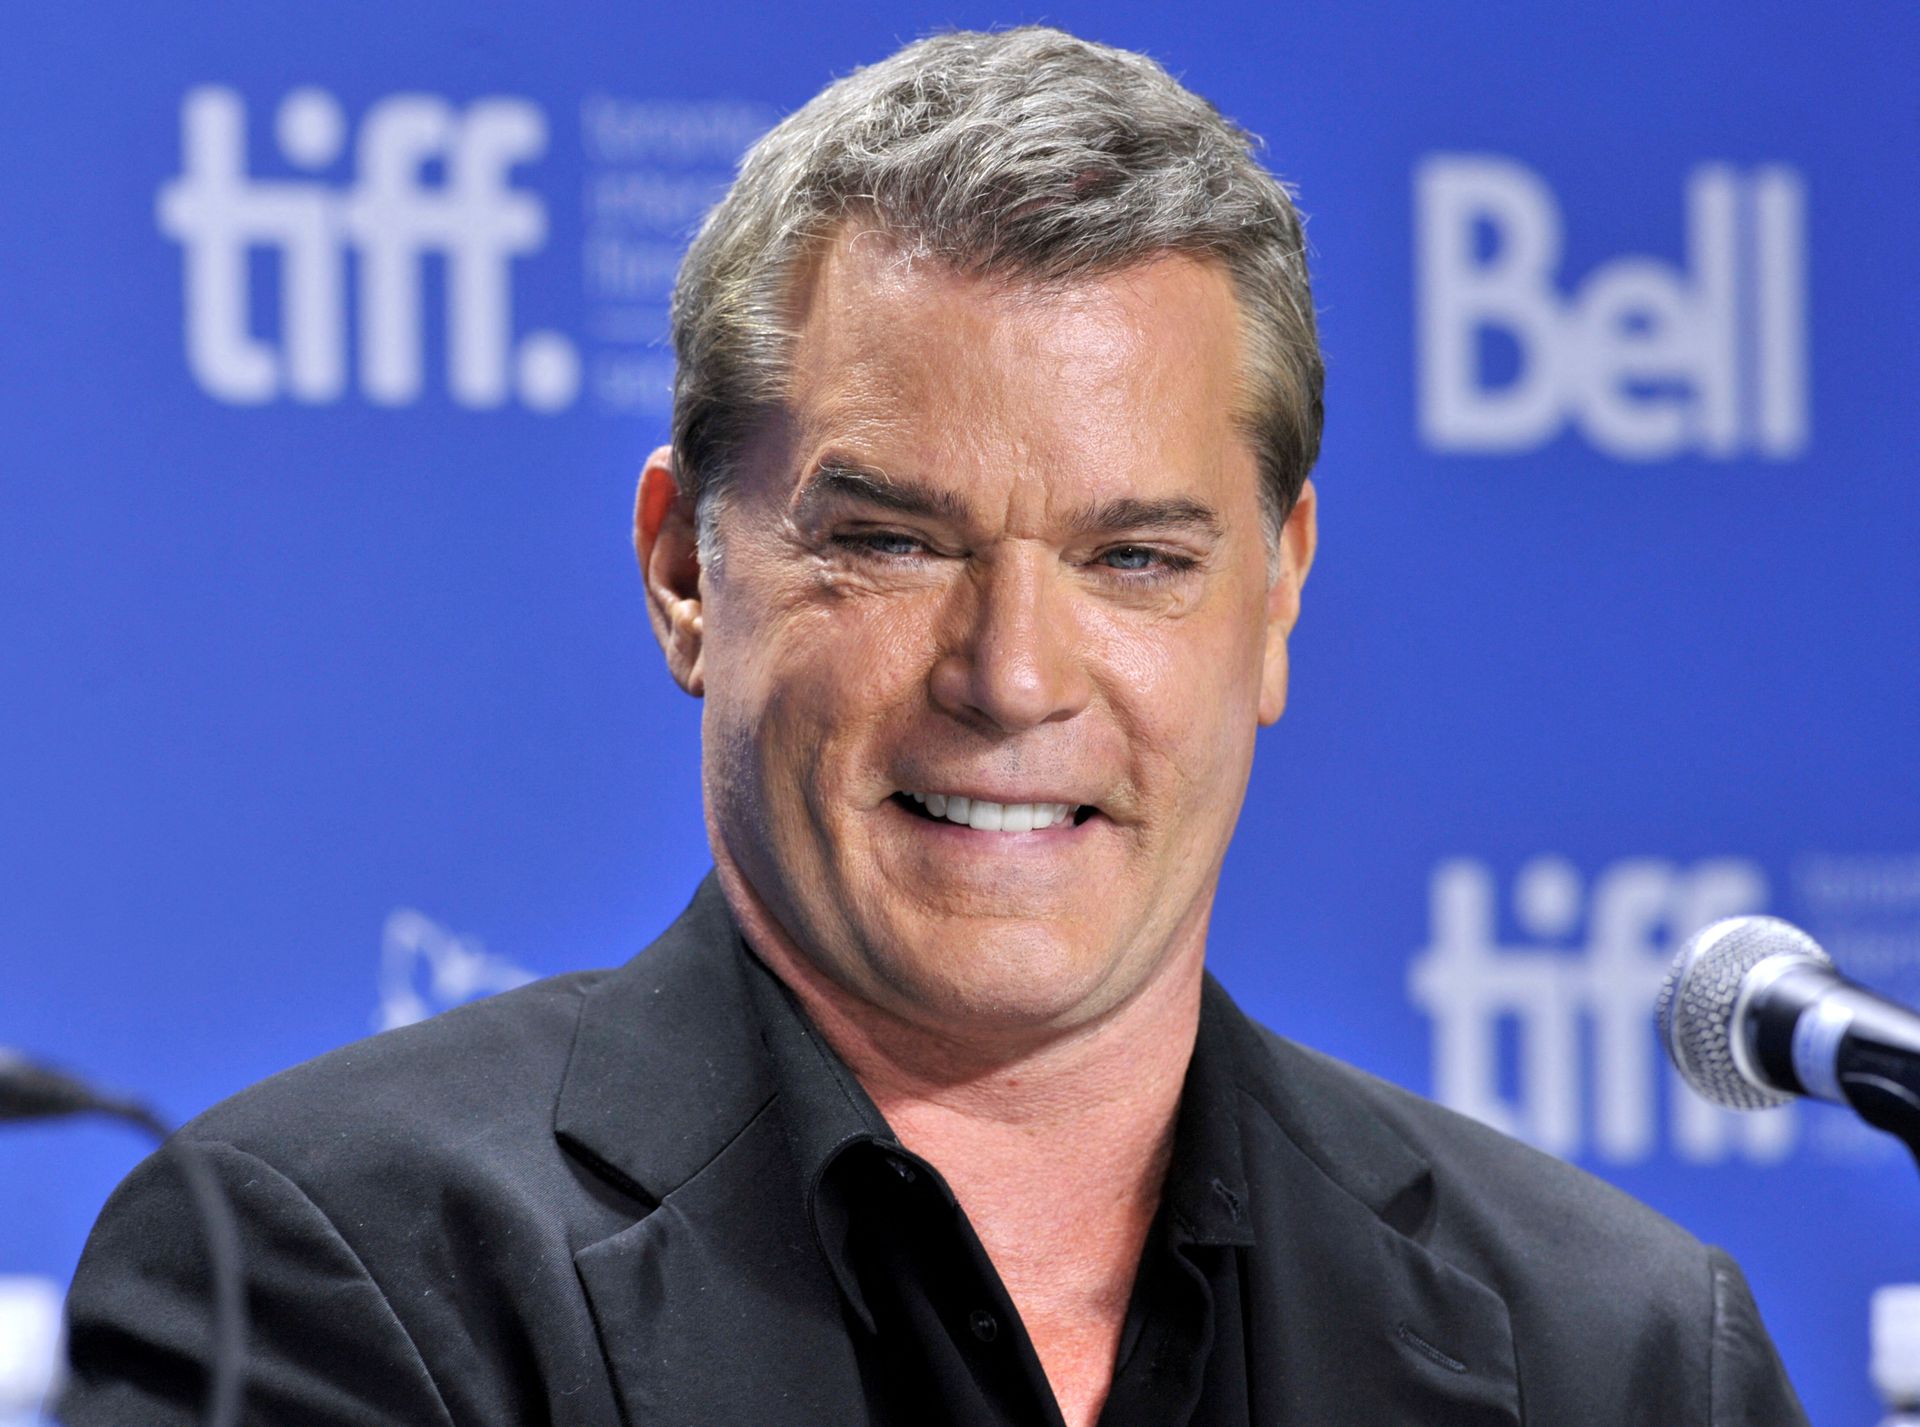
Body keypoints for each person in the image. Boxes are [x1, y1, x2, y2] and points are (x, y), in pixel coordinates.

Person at [62, 26, 1806, 1427]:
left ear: (1277, 596)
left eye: (1135, 559)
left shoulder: (1626, 1354)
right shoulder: (338, 1274)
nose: (1014, 674)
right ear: (686, 569)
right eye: (892, 542)